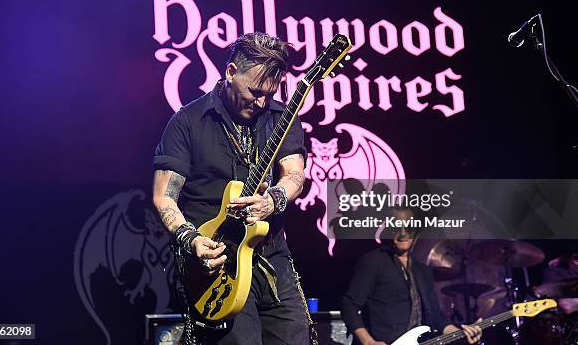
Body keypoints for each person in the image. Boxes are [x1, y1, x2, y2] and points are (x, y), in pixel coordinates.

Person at [152, 32, 311, 344]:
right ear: (230, 72)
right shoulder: (188, 121)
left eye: (270, 93)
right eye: (254, 91)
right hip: (215, 261)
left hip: (270, 256)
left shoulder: (281, 117)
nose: (262, 101)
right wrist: (192, 239)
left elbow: (295, 175)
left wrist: (274, 199)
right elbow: (163, 198)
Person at [341, 208, 483, 345]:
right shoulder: (373, 261)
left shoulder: (422, 270)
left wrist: (461, 334)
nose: (403, 233)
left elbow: (436, 317)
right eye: (397, 227)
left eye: (408, 227)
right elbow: (349, 304)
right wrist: (368, 341)